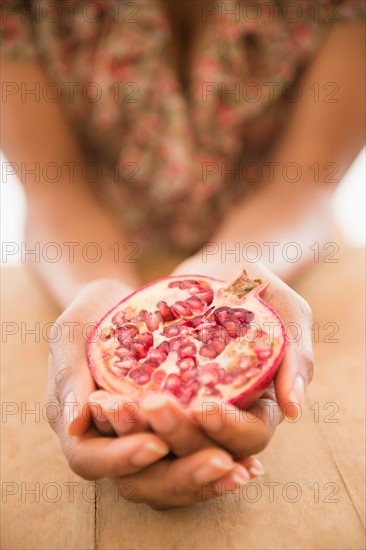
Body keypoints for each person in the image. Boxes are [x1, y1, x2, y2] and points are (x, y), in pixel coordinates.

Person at [1, 0, 364, 509]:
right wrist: (100, 296)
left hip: (279, 259)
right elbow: (57, 195)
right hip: (91, 256)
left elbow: (302, 188)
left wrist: (226, 273)